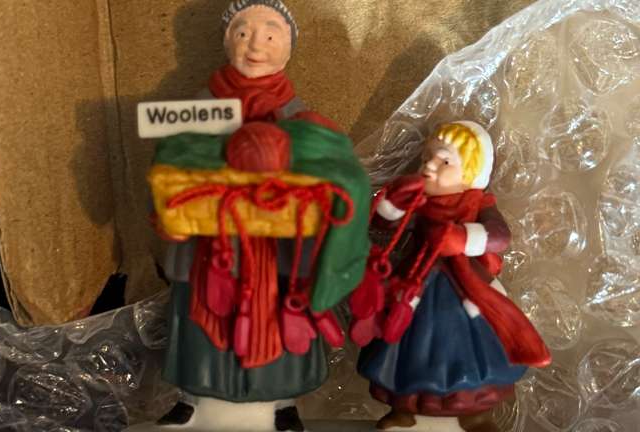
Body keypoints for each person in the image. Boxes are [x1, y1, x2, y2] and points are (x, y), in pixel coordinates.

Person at [142, 2, 371, 431]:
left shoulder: (303, 120)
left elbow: (330, 179)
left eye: (270, 34)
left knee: (280, 317)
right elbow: (170, 162)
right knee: (202, 319)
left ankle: (282, 402)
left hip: (275, 244)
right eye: (243, 33)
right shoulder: (199, 109)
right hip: (211, 241)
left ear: (289, 47)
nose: (255, 46)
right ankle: (193, 397)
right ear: (226, 40)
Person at [353, 121, 551, 432]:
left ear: (470, 173)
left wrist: (461, 238)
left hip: (466, 286)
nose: (429, 166)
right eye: (426, 158)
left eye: (444, 161)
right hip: (416, 281)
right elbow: (383, 224)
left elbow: (499, 236)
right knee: (406, 348)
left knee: (472, 350)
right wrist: (394, 201)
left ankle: (474, 414)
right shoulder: (419, 200)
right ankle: (405, 409)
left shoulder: (480, 204)